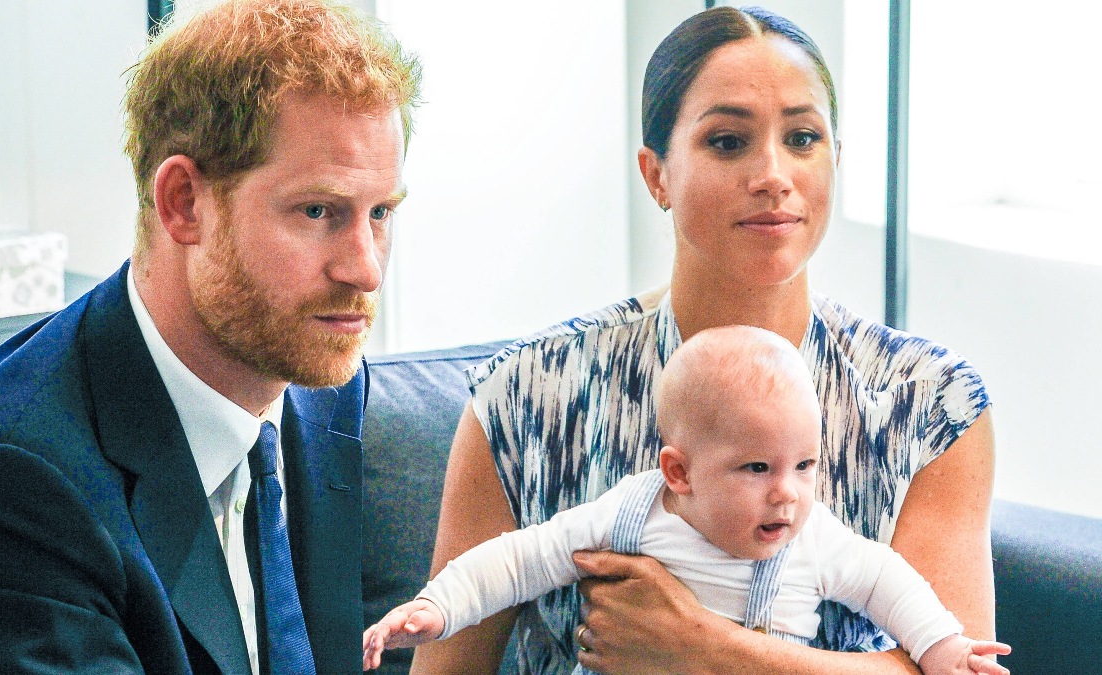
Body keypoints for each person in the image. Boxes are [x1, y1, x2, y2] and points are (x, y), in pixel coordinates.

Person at [413, 6, 998, 675]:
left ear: (836, 159)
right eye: (727, 141)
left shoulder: (928, 403)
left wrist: (702, 647)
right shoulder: (527, 393)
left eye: (803, 137)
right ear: (656, 174)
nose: (773, 174)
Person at [0, 1, 419, 673]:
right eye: (317, 211)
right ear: (183, 202)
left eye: (380, 213)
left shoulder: (318, 384)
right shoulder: (6, 492)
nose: (366, 270)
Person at [365, 327, 1010, 674]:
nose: (786, 493)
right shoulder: (631, 514)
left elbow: (889, 584)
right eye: (756, 468)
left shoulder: (813, 538)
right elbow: (521, 558)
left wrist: (943, 648)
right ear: (679, 472)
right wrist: (438, 606)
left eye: (805, 466)